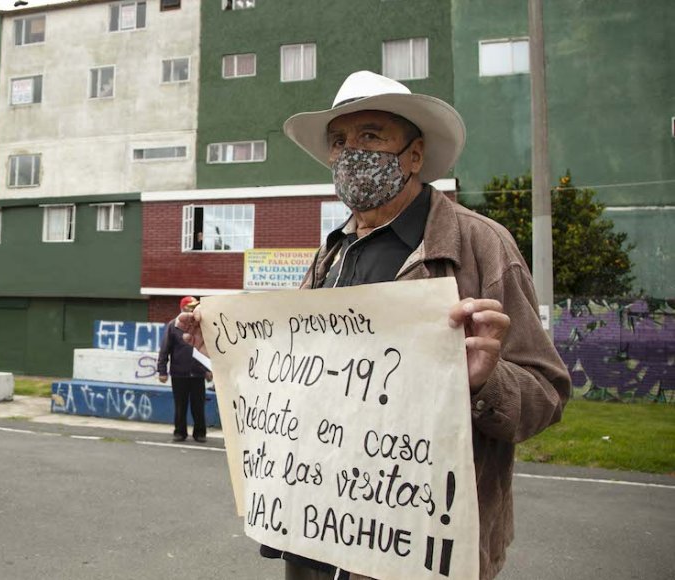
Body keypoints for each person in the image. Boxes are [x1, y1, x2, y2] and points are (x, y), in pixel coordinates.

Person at [178, 71, 570, 580]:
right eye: (339, 141)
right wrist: (228, 353)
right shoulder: (329, 256)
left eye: (369, 135)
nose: (349, 153)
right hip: (315, 532)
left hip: (418, 551)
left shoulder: (480, 246)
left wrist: (484, 379)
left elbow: (547, 394)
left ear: (414, 154)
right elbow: (297, 378)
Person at [157, 296, 212, 443]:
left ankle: (200, 433)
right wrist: (162, 370)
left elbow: (208, 350)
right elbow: (165, 349)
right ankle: (180, 432)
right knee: (180, 405)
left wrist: (208, 370)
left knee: (198, 406)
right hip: (179, 374)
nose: (192, 310)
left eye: (194, 307)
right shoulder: (172, 326)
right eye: (190, 307)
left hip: (198, 373)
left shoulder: (201, 326)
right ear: (183, 308)